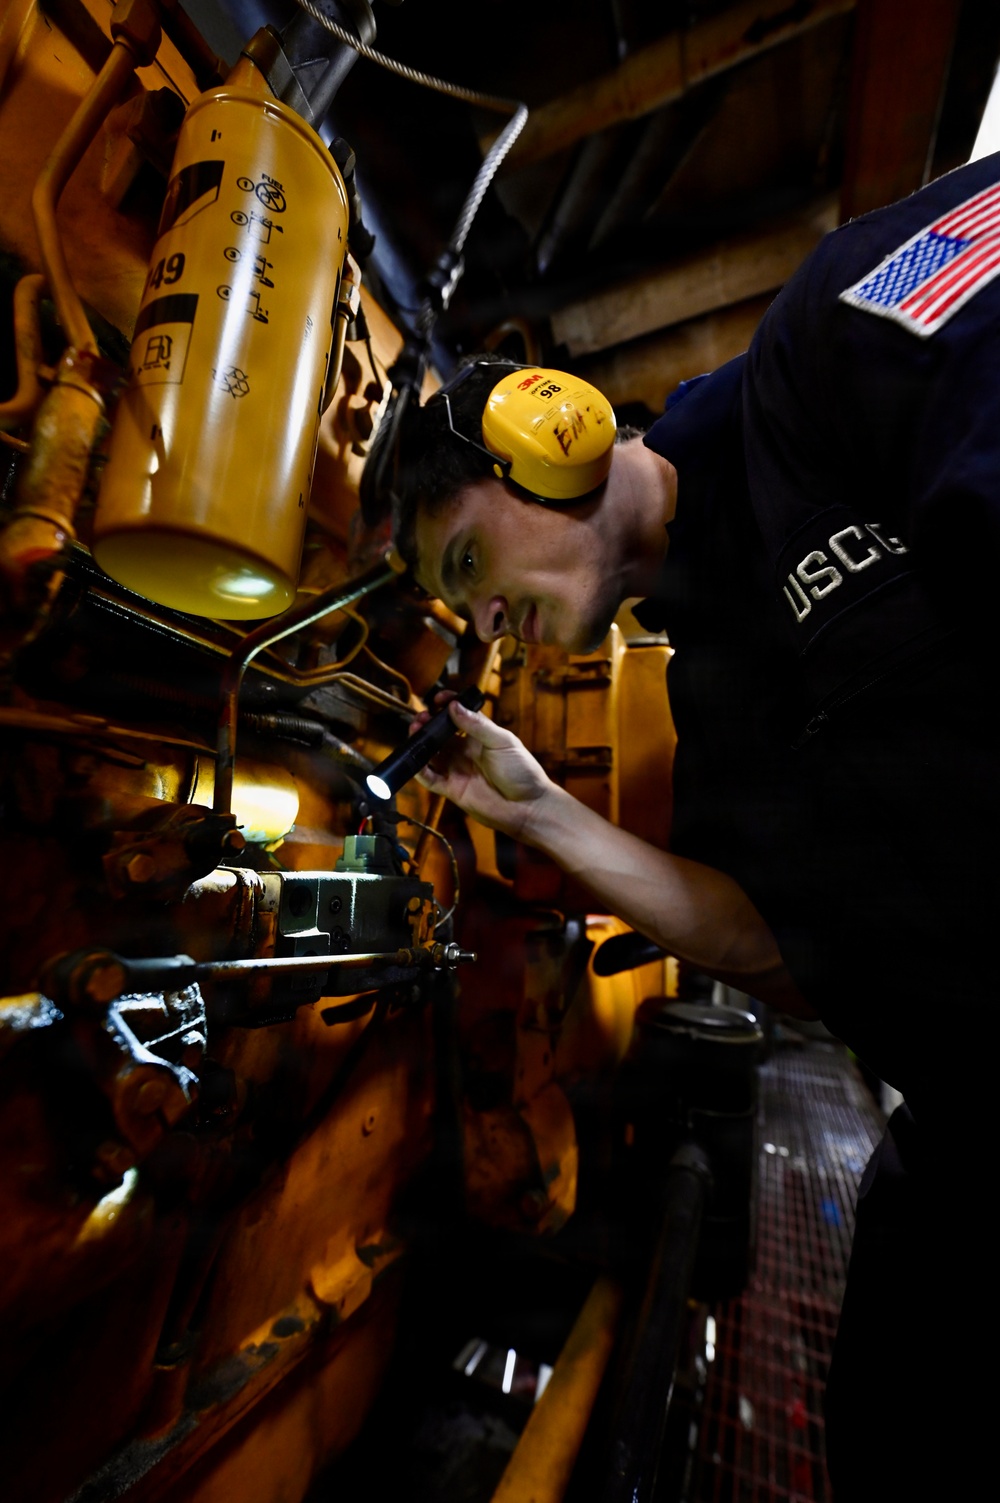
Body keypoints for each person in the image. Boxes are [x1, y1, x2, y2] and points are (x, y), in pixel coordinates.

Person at [392, 151, 1000, 1497]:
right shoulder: (710, 704)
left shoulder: (829, 342)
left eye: (469, 567)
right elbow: (776, 948)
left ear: (549, 435)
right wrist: (544, 814)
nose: (481, 622)